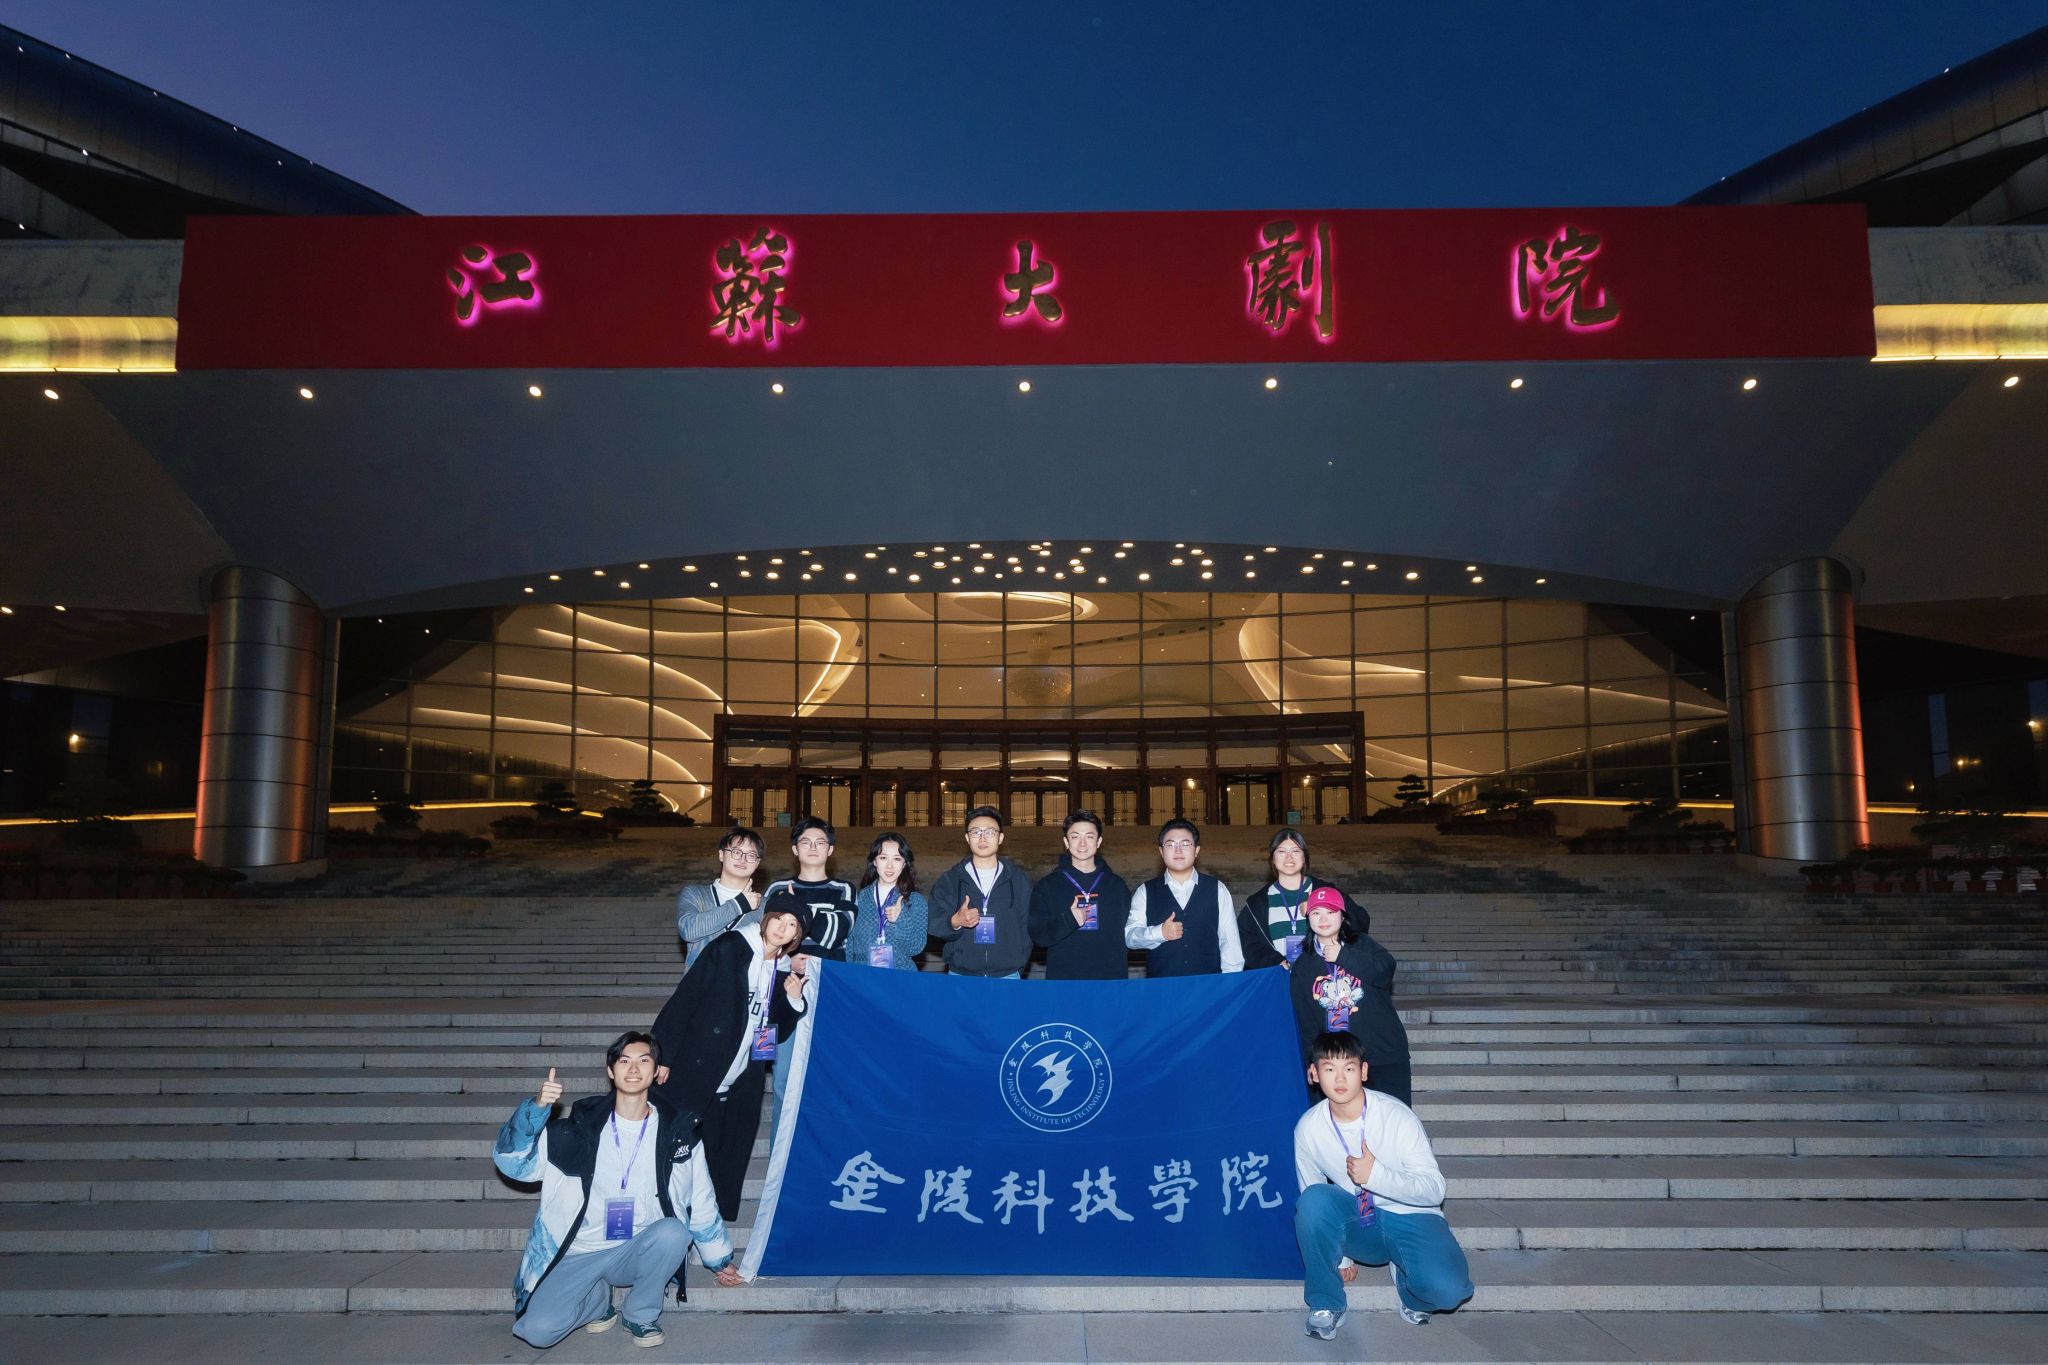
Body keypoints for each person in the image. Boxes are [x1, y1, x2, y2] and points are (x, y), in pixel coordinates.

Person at [492, 1031, 741, 1350]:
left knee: (673, 1233)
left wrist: (719, 1259)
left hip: (635, 1248)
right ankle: (598, 1301)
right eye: (624, 1061)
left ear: (657, 1071)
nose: (633, 1069)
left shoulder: (678, 1134)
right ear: (610, 1071)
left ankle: (640, 1314)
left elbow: (702, 1198)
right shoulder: (574, 1132)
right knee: (538, 1332)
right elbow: (512, 1163)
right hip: (579, 1250)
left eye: (643, 1060)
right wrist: (536, 1109)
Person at [1294, 1030, 1471, 1341]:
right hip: (1361, 1222)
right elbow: (1311, 1190)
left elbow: (1434, 1189)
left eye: (1349, 1068)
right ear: (1314, 1074)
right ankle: (1325, 1303)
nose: (1340, 1078)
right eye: (1329, 1068)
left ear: (1363, 1071)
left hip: (1412, 1217)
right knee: (1312, 1200)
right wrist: (1341, 1257)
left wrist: (1377, 1176)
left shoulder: (1396, 1115)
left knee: (1449, 1291)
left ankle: (1410, 1291)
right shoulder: (1308, 1128)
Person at [648, 894, 813, 1222]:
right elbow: (686, 999)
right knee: (678, 1144)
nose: (783, 928)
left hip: (742, 1075)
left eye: (792, 925)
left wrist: (794, 1000)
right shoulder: (730, 948)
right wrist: (662, 1055)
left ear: (797, 936)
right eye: (779, 918)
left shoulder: (780, 968)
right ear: (765, 917)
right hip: (700, 1063)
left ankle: (712, 1218)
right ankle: (666, 1212)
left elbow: (775, 1029)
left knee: (726, 1149)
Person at [1289, 885, 1411, 1105]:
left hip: (1381, 1052)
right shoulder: (1303, 965)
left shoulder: (1361, 944)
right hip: (1338, 1062)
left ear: (1342, 916)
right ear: (1308, 918)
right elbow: (1306, 1022)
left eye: (1330, 911)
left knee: (1391, 1119)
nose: (1323, 919)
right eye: (1316, 913)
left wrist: (1343, 955)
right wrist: (1312, 1061)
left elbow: (1385, 970)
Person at [1123, 818, 1244, 976]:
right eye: (1171, 844)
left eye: (1185, 844)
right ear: (1161, 851)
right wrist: (1159, 933)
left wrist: (1230, 983)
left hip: (1208, 985)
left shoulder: (1217, 889)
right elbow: (1129, 937)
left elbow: (1230, 943)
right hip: (1162, 986)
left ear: (1196, 850)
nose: (1178, 850)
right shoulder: (1145, 891)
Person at [1237, 829, 1370, 970]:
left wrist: (1322, 907)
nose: (1289, 857)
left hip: (1324, 977)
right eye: (1281, 851)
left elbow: (1361, 922)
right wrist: (1273, 961)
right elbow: (1245, 941)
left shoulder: (1326, 891)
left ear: (1304, 857)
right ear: (1272, 859)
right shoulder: (1256, 903)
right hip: (1280, 978)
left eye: (1296, 851)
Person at [1028, 808, 1135, 980]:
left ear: (1099, 841)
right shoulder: (1047, 886)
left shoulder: (1116, 886)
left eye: (1089, 837)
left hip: (1109, 981)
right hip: (1065, 982)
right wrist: (1068, 920)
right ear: (1066, 841)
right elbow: (1038, 936)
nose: (1082, 844)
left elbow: (1129, 933)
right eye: (1075, 837)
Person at [928, 805, 1033, 979]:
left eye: (990, 832)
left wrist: (1017, 964)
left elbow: (1027, 927)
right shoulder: (951, 880)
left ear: (1000, 838)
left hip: (1007, 976)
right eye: (976, 832)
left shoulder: (1018, 879)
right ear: (967, 838)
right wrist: (954, 922)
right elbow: (933, 921)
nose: (983, 838)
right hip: (961, 975)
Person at [761, 816, 857, 961]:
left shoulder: (844, 889)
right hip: (784, 971)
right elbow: (765, 936)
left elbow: (835, 935)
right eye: (805, 842)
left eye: (820, 843)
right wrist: (786, 962)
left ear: (830, 849)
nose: (813, 847)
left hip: (829, 972)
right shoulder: (777, 888)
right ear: (795, 849)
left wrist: (795, 904)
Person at [677, 826, 764, 969]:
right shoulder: (695, 894)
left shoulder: (764, 905)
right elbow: (689, 931)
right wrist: (738, 905)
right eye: (736, 852)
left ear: (757, 863)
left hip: (744, 983)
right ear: (721, 855)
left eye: (751, 855)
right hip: (699, 982)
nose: (743, 859)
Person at [847, 831, 929, 971]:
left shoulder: (915, 901)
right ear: (874, 861)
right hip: (863, 975)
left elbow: (916, 948)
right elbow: (850, 944)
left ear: (904, 863)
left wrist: (900, 920)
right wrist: (850, 973)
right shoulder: (859, 898)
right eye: (883, 857)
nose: (890, 866)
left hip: (901, 976)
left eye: (897, 859)